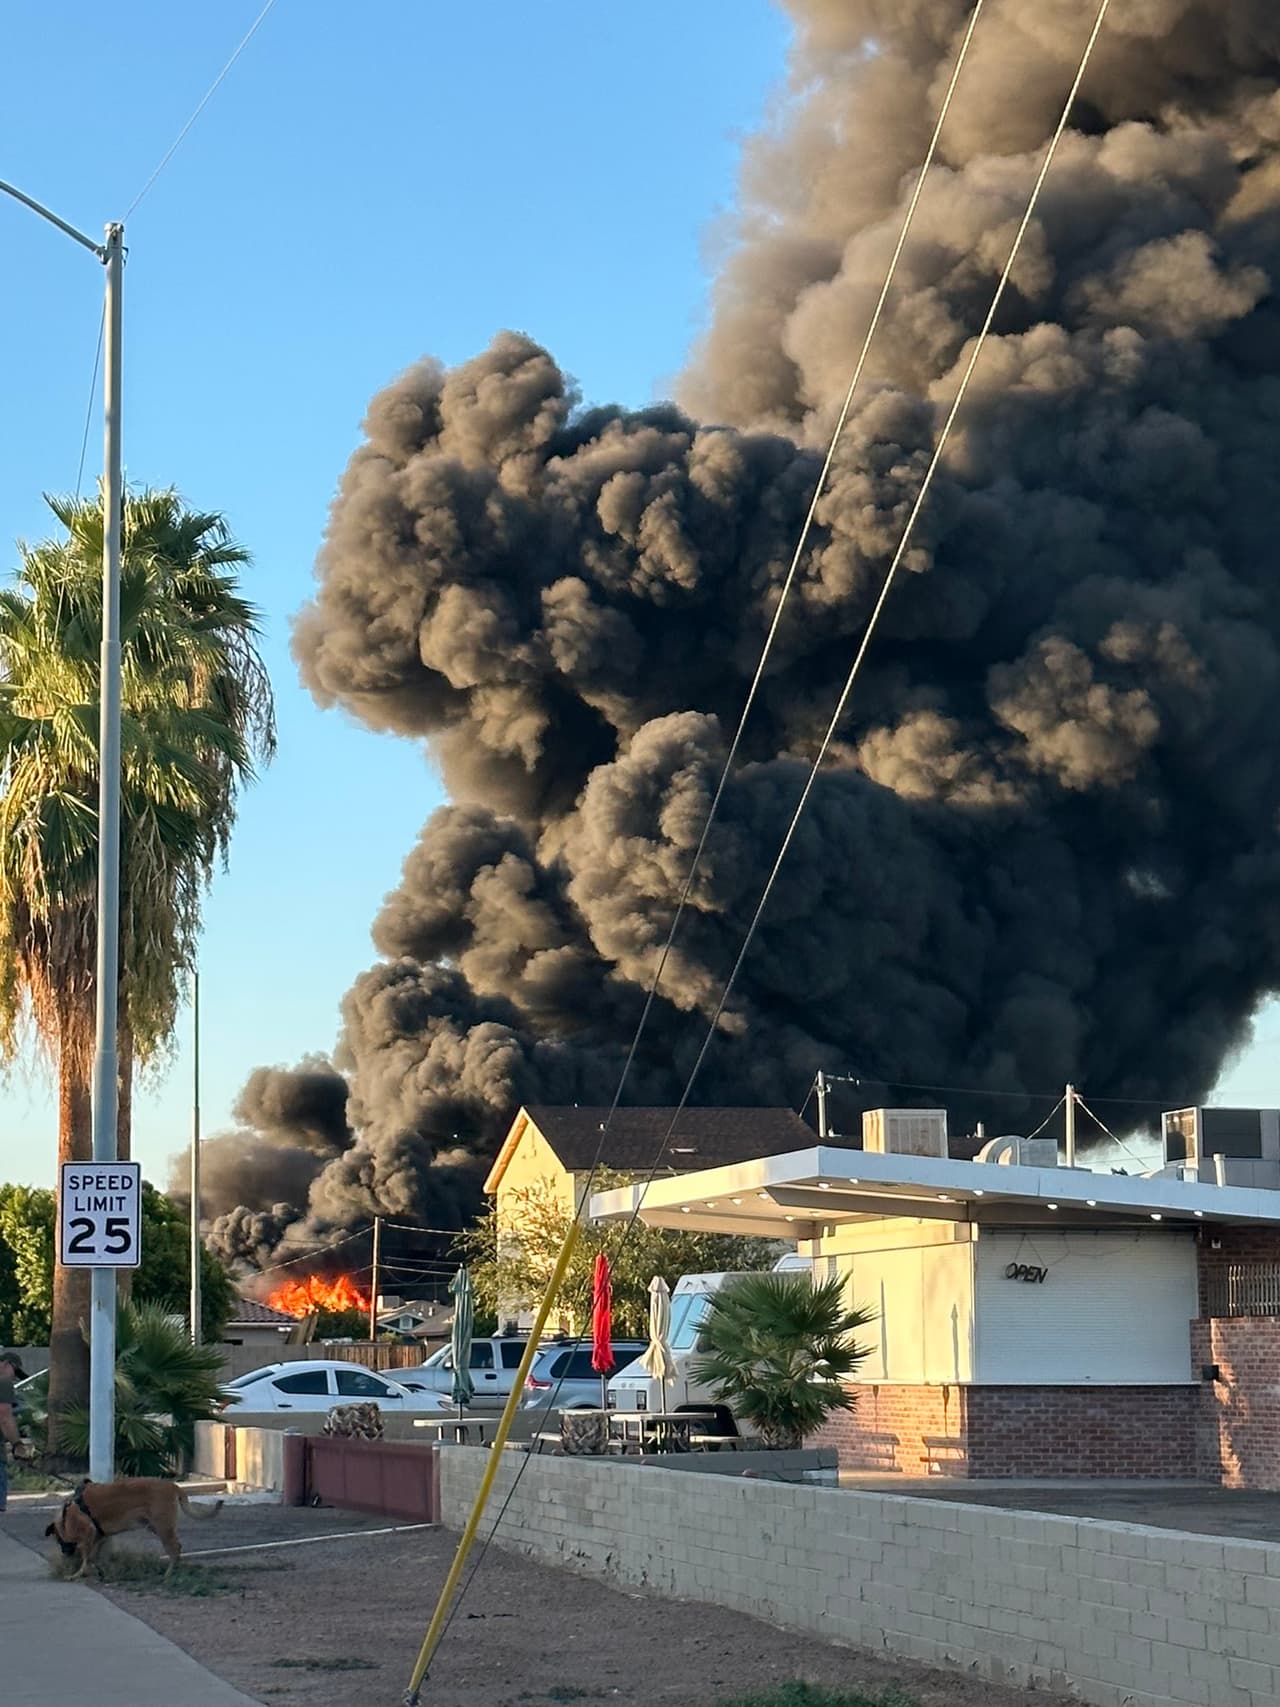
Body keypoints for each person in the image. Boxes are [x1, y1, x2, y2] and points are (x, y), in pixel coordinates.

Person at [0, 1350, 33, 1513]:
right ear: (6, 1364)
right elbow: (4, 1416)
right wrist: (17, 1444)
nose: (14, 1378)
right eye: (15, 1372)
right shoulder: (3, 1383)